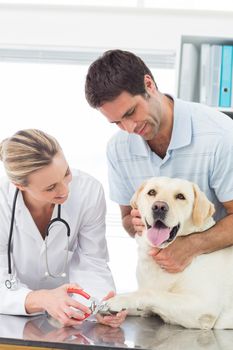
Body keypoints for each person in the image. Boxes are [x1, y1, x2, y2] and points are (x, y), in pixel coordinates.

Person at [85, 49, 233, 274]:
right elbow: (127, 217)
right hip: (162, 280)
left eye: (131, 112)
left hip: (219, 276)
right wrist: (134, 222)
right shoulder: (118, 148)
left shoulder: (220, 136)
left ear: (149, 85)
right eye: (117, 122)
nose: (129, 128)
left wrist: (193, 246)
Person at [0, 129, 127, 327]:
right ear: (19, 185)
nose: (65, 190)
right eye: (50, 188)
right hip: (9, 319)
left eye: (66, 173)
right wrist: (41, 299)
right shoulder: (2, 201)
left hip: (64, 320)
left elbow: (92, 261)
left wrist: (98, 306)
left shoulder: (88, 191)